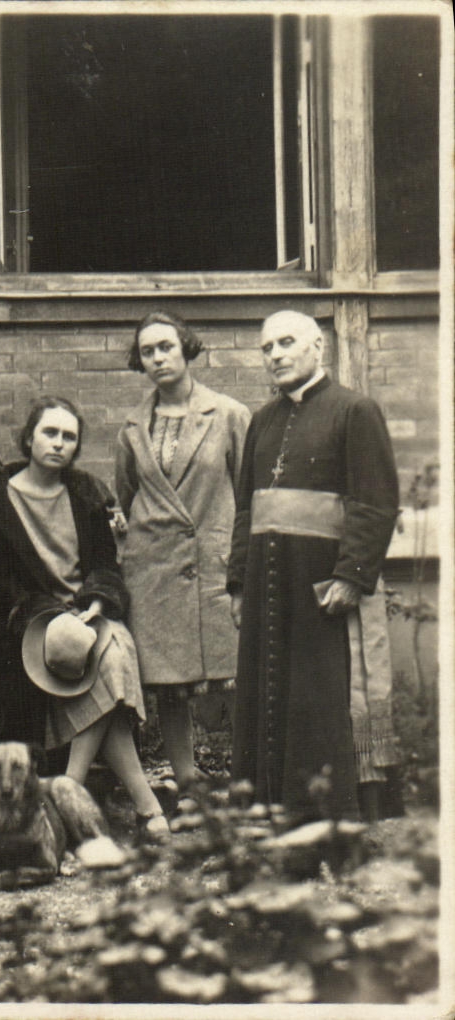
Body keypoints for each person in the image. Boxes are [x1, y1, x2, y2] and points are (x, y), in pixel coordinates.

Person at [229, 310, 400, 820]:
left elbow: (375, 503)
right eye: (266, 347)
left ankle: (326, 819)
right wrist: (239, 582)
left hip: (322, 587)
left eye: (286, 342)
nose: (276, 354)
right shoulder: (262, 420)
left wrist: (351, 575)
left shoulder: (355, 411)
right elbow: (246, 508)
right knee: (268, 699)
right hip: (265, 586)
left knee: (320, 702)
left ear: (317, 347)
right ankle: (268, 815)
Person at [0, 397, 168, 838]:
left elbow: (105, 565)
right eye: (50, 433)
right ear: (29, 438)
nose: (59, 444)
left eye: (69, 437)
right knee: (96, 671)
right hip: (31, 621)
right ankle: (146, 807)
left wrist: (96, 606)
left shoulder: (84, 494)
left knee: (115, 651)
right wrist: (48, 617)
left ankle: (68, 794)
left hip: (89, 610)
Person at [113, 312, 251, 788]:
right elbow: (127, 496)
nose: (157, 358)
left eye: (165, 347)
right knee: (170, 688)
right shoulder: (133, 426)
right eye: (147, 351)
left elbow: (248, 495)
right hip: (154, 570)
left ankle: (248, 781)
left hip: (213, 565)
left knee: (236, 677)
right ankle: (188, 784)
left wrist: (240, 568)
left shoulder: (229, 414)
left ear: (185, 348)